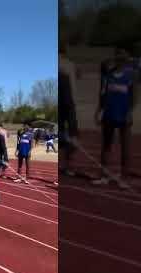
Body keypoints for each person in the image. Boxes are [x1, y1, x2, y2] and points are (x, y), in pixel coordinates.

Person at [92, 46, 138, 189]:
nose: (120, 62)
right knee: (106, 146)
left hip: (124, 115)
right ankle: (104, 176)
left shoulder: (130, 75)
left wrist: (130, 112)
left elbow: (133, 96)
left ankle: (124, 177)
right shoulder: (108, 75)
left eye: (123, 59)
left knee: (125, 147)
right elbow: (103, 94)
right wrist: (98, 111)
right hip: (109, 114)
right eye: (118, 59)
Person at [58, 42, 79, 177]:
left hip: (67, 103)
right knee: (68, 136)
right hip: (67, 103)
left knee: (68, 136)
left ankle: (66, 164)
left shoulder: (65, 65)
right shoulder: (69, 64)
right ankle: (66, 165)